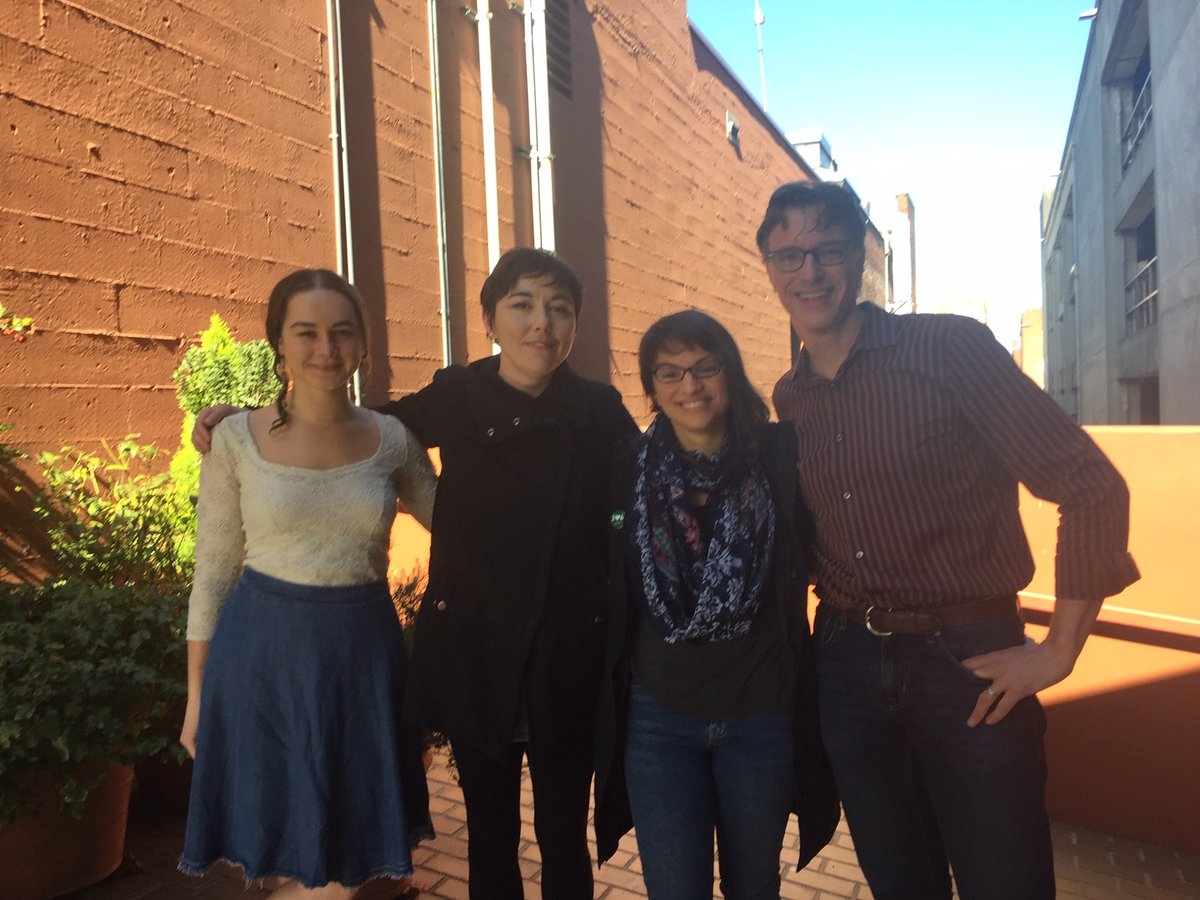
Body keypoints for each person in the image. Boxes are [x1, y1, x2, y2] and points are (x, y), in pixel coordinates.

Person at [193, 248, 638, 900]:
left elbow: (649, 494)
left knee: (564, 834)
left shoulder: (599, 409)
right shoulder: (460, 394)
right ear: (490, 318)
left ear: (575, 324)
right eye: (522, 305)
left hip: (566, 659)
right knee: (489, 835)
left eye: (559, 308)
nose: (541, 323)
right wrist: (253, 422)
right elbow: (355, 429)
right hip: (479, 652)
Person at [757, 180, 1140, 900]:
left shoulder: (948, 348)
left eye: (826, 250)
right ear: (770, 270)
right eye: (788, 256)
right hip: (846, 662)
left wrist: (1059, 650)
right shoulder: (791, 396)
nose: (808, 271)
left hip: (968, 663)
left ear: (862, 261)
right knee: (899, 880)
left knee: (1007, 880)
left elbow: (1090, 484)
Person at [179, 269, 437, 898]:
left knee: (353, 849)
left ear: (363, 345)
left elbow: (463, 533)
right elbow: (212, 571)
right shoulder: (236, 438)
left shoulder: (394, 441)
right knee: (290, 844)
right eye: (307, 332)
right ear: (279, 343)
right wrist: (196, 697)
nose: (327, 348)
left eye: (342, 332)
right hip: (262, 659)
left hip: (362, 662)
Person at [592, 311, 838, 900]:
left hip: (760, 717)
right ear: (651, 389)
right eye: (670, 372)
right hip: (658, 720)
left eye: (706, 367)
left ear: (730, 371)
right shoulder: (625, 470)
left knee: (754, 887)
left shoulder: (780, 456)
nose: (691, 386)